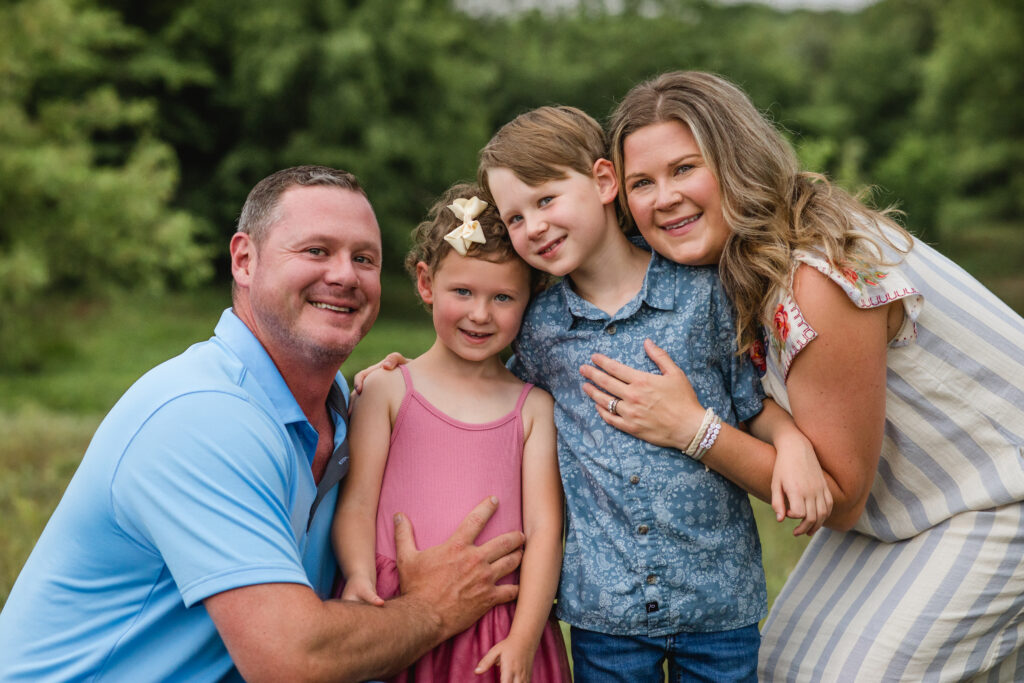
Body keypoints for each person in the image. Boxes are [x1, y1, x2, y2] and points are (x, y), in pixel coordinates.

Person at [0, 166, 526, 682]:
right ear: (244, 260)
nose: (344, 275)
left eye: (363, 258)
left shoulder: (353, 406)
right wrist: (432, 609)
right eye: (316, 251)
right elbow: (294, 660)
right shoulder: (200, 416)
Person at [584, 70, 1024, 680]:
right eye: (641, 182)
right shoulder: (731, 265)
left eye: (685, 169)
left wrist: (691, 429)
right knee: (783, 666)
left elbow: (838, 497)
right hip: (913, 507)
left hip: (1004, 496)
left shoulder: (815, 275)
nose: (663, 198)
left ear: (736, 160)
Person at [473, 105, 831, 682]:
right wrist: (406, 369)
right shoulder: (540, 329)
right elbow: (490, 390)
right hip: (607, 612)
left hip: (718, 602)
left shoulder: (703, 294)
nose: (533, 226)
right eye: (514, 218)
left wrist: (791, 442)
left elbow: (751, 403)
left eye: (545, 200)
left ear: (604, 182)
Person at [333, 183, 571, 682]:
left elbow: (547, 531)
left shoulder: (533, 410)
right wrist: (358, 575)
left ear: (530, 298)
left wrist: (524, 636)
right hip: (394, 608)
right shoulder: (388, 392)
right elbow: (356, 503)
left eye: (503, 297)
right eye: (462, 292)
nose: (480, 314)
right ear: (426, 283)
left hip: (497, 625)